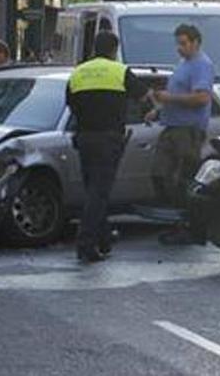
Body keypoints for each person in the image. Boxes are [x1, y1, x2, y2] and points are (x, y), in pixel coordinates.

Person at [66, 30, 150, 264]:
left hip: (84, 138)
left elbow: (71, 104)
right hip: (109, 139)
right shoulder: (119, 71)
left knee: (93, 189)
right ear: (114, 50)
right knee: (99, 192)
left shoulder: (78, 72)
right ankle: (86, 244)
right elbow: (144, 96)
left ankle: (103, 239)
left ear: (94, 48)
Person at [145, 24, 215, 245]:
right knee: (159, 174)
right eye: (178, 43)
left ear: (196, 43)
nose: (179, 48)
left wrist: (168, 99)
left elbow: (202, 98)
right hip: (172, 127)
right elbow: (176, 94)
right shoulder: (184, 64)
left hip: (189, 130)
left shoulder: (202, 65)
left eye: (184, 43)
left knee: (184, 179)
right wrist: (157, 111)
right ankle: (178, 221)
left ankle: (191, 228)